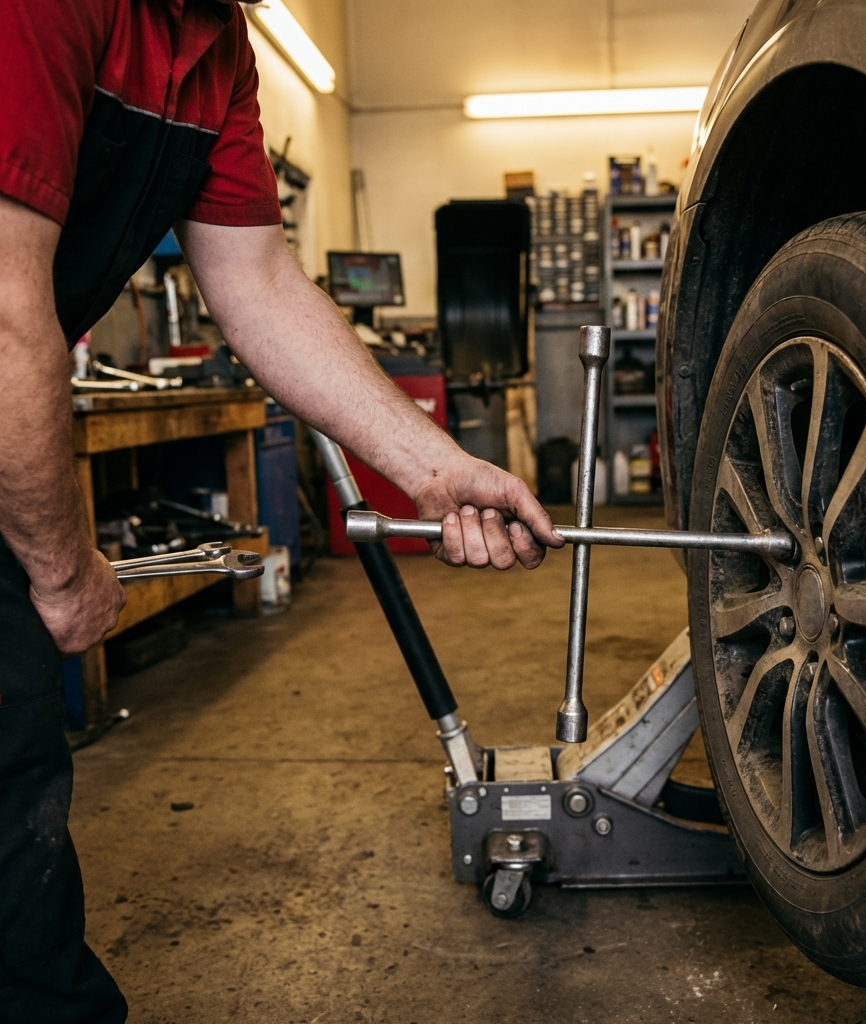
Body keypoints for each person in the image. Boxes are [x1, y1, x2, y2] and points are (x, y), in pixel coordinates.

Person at [0, 1, 560, 1019]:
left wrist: (436, 468)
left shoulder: (218, 51)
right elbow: (3, 315)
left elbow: (255, 278)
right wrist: (63, 567)